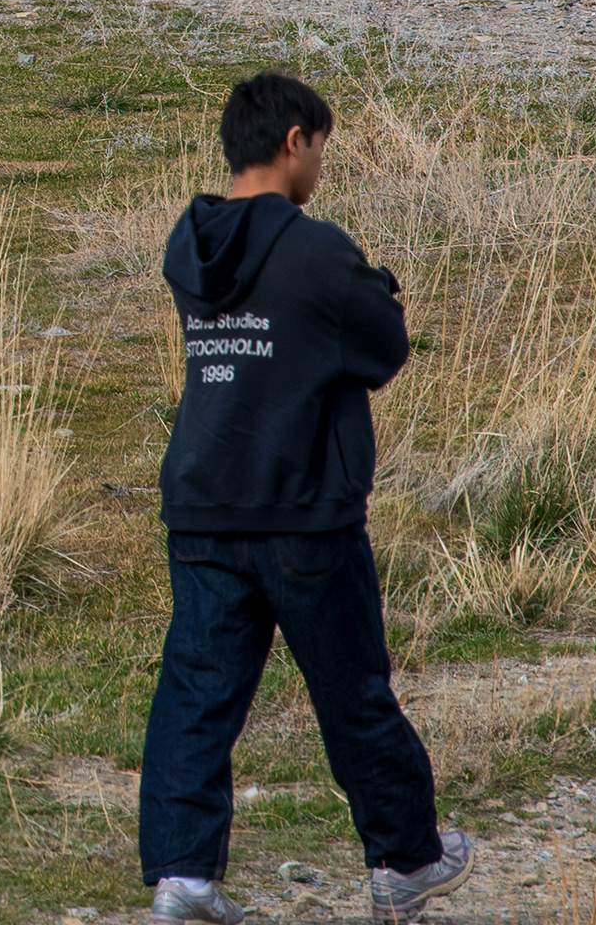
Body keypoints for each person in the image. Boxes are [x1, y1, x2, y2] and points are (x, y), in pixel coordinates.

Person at [141, 74, 472, 923]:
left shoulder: (190, 241)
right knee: (352, 690)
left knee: (197, 692)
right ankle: (406, 858)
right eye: (321, 147)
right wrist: (379, 285)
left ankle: (183, 878)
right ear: (295, 140)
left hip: (206, 503)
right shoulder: (316, 249)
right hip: (302, 511)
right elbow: (382, 345)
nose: (321, 164)